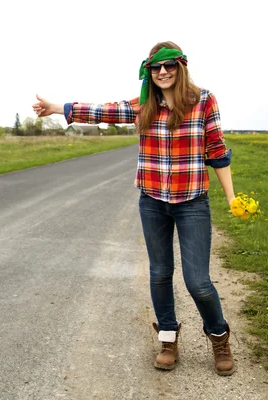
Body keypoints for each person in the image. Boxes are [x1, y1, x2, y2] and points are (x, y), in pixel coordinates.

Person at [33, 41, 236, 376]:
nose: (163, 72)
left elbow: (216, 149)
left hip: (192, 202)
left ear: (181, 67)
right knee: (159, 273)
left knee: (198, 281)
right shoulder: (144, 105)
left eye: (169, 66)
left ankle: (219, 336)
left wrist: (231, 198)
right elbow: (103, 111)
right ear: (149, 72)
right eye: (156, 68)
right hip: (153, 201)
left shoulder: (202, 101)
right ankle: (168, 339)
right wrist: (57, 107)